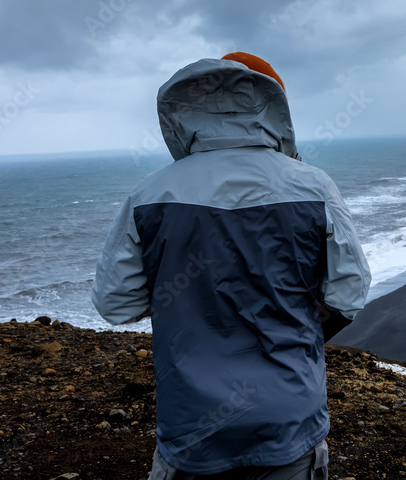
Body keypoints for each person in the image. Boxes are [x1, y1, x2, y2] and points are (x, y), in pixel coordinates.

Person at [91, 52, 371, 479]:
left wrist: (183, 300)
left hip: (191, 421)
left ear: (186, 109)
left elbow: (116, 304)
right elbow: (349, 292)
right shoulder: (314, 186)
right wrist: (299, 324)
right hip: (288, 412)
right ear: (274, 105)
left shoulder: (149, 194)